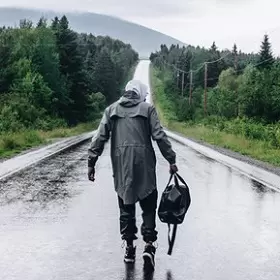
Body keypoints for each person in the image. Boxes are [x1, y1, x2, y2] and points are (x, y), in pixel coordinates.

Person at [87, 79, 178, 270]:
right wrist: (171, 159)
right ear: (140, 94)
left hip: (122, 166)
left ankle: (129, 247)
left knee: (126, 207)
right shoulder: (147, 110)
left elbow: (99, 137)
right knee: (148, 206)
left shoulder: (111, 110)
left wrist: (91, 162)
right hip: (145, 165)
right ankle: (149, 245)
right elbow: (159, 136)